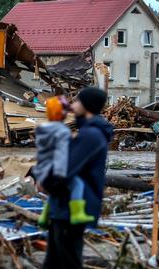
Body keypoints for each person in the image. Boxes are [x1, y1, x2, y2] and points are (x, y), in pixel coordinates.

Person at [40, 87, 113, 269]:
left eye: (77, 101)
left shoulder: (91, 135)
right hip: (64, 207)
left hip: (71, 210)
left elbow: (67, 168)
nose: (72, 105)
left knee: (67, 261)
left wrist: (45, 182)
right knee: (54, 262)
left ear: (87, 105)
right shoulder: (88, 132)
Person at [33, 96, 94, 227]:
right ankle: (77, 213)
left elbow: (40, 155)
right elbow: (61, 153)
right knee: (77, 184)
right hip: (56, 171)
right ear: (62, 113)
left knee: (54, 193)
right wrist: (61, 174)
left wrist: (39, 175)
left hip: (43, 171)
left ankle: (44, 217)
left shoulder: (42, 130)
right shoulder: (62, 131)